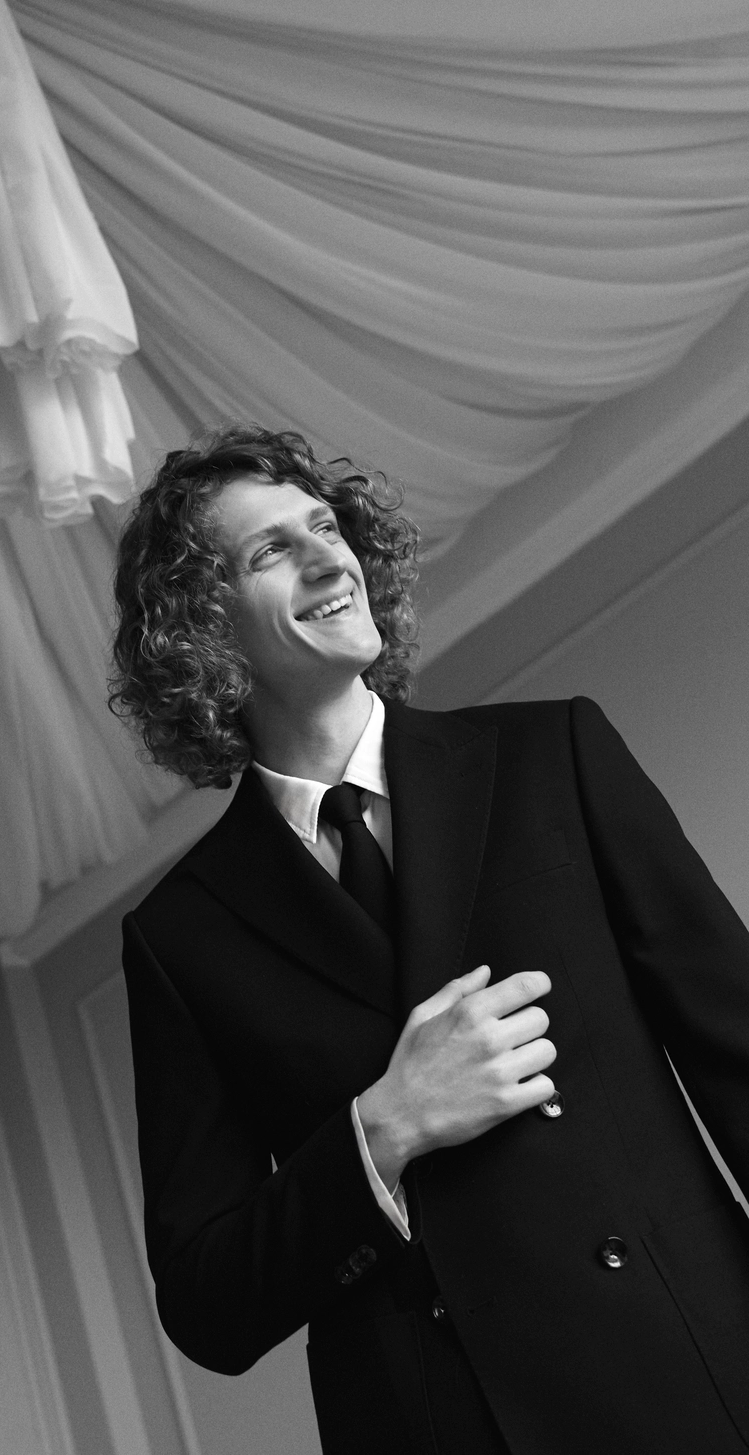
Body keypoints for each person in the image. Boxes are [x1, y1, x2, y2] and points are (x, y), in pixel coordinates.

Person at [109, 423, 749, 1455]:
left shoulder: (553, 755)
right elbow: (207, 1303)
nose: (329, 559)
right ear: (201, 626)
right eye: (273, 549)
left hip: (692, 1378)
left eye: (327, 528)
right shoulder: (182, 934)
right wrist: (382, 1129)